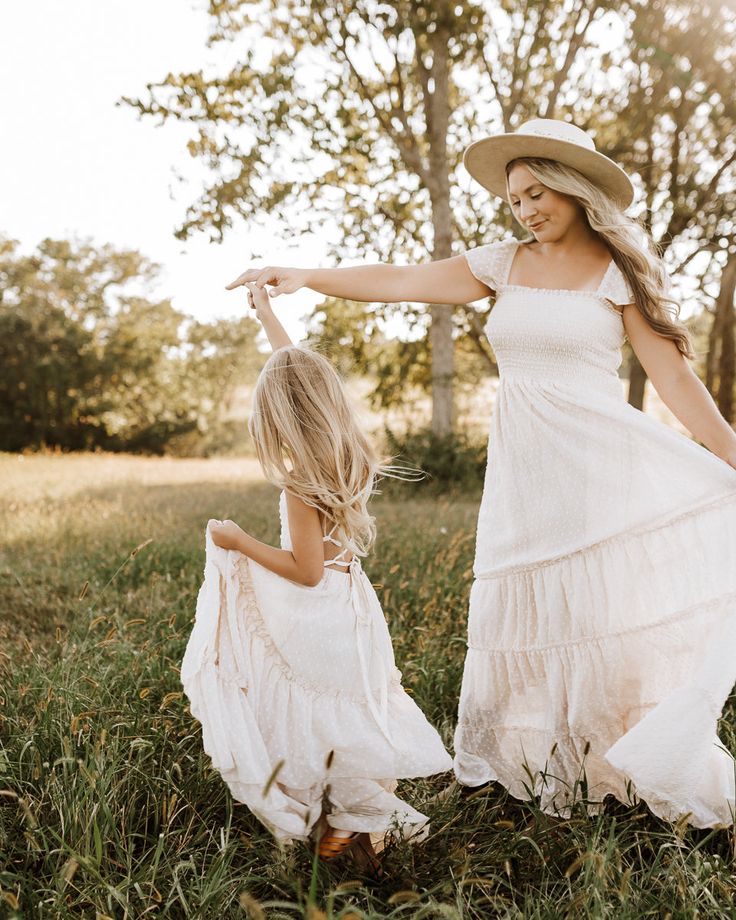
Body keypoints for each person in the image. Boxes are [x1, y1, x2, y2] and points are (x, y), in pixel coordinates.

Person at [225, 117, 736, 828]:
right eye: (514, 199)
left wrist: (732, 454)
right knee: (525, 602)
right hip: (524, 469)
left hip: (598, 465)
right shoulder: (504, 263)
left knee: (595, 611)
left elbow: (676, 382)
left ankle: (610, 760)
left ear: (572, 187)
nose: (525, 209)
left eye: (536, 193)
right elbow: (402, 280)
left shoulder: (619, 275)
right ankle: (530, 763)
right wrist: (307, 275)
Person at [180, 280, 452, 870]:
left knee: (324, 714)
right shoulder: (349, 451)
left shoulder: (301, 483)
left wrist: (237, 540)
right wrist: (267, 316)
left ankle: (348, 848)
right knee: (350, 708)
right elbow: (300, 374)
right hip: (354, 607)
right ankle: (358, 827)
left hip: (321, 610)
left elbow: (304, 572)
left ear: (279, 416)